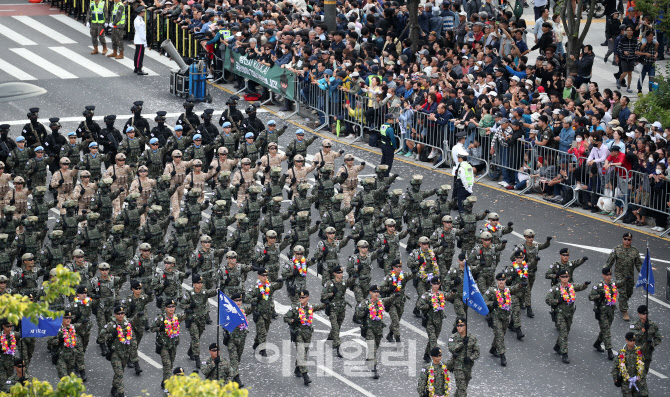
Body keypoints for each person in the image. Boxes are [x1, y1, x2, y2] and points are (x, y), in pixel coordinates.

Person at [545, 270, 590, 364]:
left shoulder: (571, 287)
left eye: (567, 276)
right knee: (563, 332)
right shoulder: (555, 288)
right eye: (563, 277)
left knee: (567, 330)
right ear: (560, 278)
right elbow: (547, 300)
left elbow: (580, 287)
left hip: (569, 313)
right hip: (560, 313)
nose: (565, 278)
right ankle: (564, 353)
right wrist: (557, 301)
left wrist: (585, 284)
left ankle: (557, 346)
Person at [605, 233, 642, 321]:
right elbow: (610, 262)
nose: (627, 241)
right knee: (623, 293)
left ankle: (622, 303)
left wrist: (643, 274)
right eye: (625, 239)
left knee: (629, 292)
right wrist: (606, 271)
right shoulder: (617, 249)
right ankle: (624, 311)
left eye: (629, 239)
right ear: (623, 239)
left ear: (631, 240)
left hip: (630, 276)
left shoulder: (635, 251)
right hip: (620, 276)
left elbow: (638, 264)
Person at [589, 267, 618, 360]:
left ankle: (597, 343)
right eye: (607, 275)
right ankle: (609, 350)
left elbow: (619, 285)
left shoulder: (613, 284)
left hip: (611, 310)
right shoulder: (598, 285)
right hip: (601, 311)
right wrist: (599, 296)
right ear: (603, 275)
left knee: (606, 329)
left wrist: (626, 280)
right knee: (606, 330)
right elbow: (590, 297)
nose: (609, 276)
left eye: (610, 275)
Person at [447, 317, 480, 397]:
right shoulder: (453, 337)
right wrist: (462, 343)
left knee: (462, 388)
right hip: (457, 366)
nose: (459, 327)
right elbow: (452, 349)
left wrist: (470, 358)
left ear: (466, 326)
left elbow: (477, 352)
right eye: (458, 325)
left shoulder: (472, 338)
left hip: (468, 367)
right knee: (462, 390)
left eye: (461, 325)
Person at [611, 332, 647, 396]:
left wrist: (641, 378)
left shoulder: (638, 351)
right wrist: (615, 378)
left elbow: (642, 365)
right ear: (626, 340)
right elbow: (616, 367)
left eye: (634, 340)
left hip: (637, 380)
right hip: (626, 382)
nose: (633, 342)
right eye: (631, 341)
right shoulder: (622, 353)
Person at [631, 304, 662, 377]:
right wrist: (643, 330)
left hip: (647, 353)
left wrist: (652, 344)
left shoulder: (653, 325)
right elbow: (633, 338)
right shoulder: (634, 325)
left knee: (644, 373)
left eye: (646, 313)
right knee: (636, 373)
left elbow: (658, 337)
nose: (645, 315)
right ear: (639, 314)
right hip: (637, 352)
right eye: (643, 314)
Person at [452, 147, 474, 213]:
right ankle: (467, 208)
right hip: (469, 185)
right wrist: (470, 186)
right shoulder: (469, 166)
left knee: (460, 198)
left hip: (462, 185)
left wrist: (466, 187)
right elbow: (471, 176)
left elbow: (463, 178)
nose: (458, 158)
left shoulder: (461, 167)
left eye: (458, 157)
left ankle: (461, 211)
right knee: (466, 198)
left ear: (461, 158)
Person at [133, 6, 148, 75]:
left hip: (139, 39)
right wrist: (144, 40)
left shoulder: (139, 19)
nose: (144, 12)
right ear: (140, 12)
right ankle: (139, 68)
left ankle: (136, 67)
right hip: (140, 40)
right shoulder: (139, 20)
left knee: (137, 54)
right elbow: (141, 31)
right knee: (139, 55)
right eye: (143, 12)